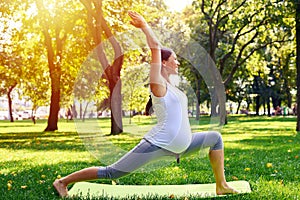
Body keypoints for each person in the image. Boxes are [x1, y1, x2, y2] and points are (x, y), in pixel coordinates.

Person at [53, 11, 238, 197]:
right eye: (175, 60)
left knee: (215, 138)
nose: (178, 64)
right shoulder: (158, 84)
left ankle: (221, 185)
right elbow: (156, 47)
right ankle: (62, 182)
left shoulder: (173, 87)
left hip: (183, 145)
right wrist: (144, 26)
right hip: (157, 144)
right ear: (163, 63)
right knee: (113, 172)